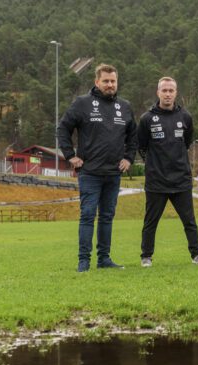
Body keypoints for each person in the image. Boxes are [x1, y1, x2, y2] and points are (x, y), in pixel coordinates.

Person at [58, 63, 138, 272]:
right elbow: (63, 128)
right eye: (106, 81)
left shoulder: (125, 106)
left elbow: (133, 137)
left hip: (113, 173)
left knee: (107, 216)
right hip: (90, 173)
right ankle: (83, 261)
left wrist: (129, 158)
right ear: (97, 82)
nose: (110, 85)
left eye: (113, 81)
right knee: (87, 215)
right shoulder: (82, 104)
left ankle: (104, 259)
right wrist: (70, 156)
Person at [137, 77, 198, 268]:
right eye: (164, 90)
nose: (168, 94)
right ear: (158, 92)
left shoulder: (185, 117)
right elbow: (141, 147)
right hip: (156, 181)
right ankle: (146, 257)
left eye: (171, 90)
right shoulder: (147, 119)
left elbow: (186, 143)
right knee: (150, 222)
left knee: (189, 221)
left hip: (181, 179)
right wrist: (155, 164)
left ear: (176, 93)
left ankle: (197, 255)